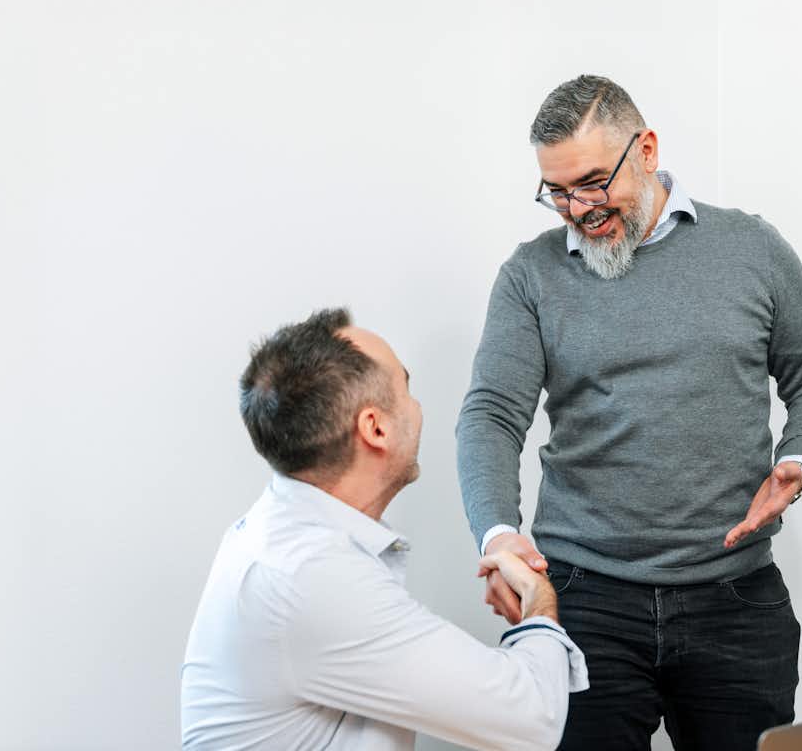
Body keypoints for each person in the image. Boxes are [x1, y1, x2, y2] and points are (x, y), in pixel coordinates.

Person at [456, 75, 802, 749]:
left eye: (590, 182)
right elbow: (492, 414)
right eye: (557, 192)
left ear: (645, 149)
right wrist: (499, 537)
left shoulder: (752, 250)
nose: (577, 209)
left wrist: (798, 459)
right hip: (584, 597)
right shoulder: (530, 275)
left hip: (736, 597)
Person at [182, 308, 587, 751]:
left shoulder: (289, 537)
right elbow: (531, 719)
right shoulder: (311, 577)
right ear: (375, 427)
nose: (417, 407)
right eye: (406, 388)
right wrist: (539, 600)